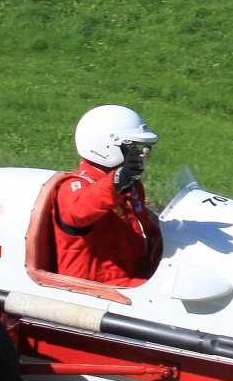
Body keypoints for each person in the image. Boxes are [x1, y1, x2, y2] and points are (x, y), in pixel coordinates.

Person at [54, 105, 162, 286]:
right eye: (130, 146)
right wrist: (118, 181)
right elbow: (77, 212)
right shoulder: (73, 185)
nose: (136, 153)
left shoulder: (130, 186)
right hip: (94, 288)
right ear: (106, 146)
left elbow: (148, 233)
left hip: (134, 278)